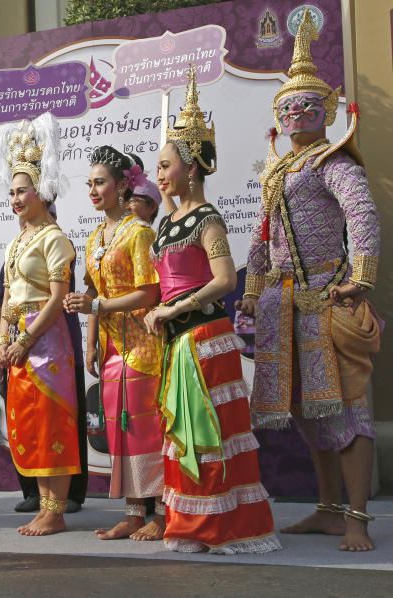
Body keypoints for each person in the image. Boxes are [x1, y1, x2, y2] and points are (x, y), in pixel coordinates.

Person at [238, 10, 381, 552]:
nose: (296, 112)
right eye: (287, 107)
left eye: (306, 105)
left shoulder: (336, 162)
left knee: (348, 408)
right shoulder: (277, 171)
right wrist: (252, 293)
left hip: (329, 296)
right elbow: (260, 237)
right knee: (308, 410)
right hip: (285, 303)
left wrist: (361, 277)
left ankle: (358, 518)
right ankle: (326, 508)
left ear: (329, 110)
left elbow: (363, 218)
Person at [144, 66, 280, 554]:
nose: (159, 174)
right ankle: (190, 523)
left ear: (193, 167)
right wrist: (158, 311)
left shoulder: (209, 219)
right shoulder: (166, 223)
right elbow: (165, 280)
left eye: (166, 165)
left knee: (212, 431)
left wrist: (173, 307)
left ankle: (223, 525)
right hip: (177, 340)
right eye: (157, 167)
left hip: (205, 339)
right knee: (184, 432)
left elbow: (223, 280)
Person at [64, 147, 165, 541]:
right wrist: (90, 344)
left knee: (145, 430)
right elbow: (92, 293)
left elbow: (149, 293)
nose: (93, 190)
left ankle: (161, 511)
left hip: (142, 345)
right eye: (89, 183)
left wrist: (99, 305)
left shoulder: (140, 232)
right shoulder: (93, 239)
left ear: (123, 185)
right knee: (118, 430)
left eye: (100, 182)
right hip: (110, 350)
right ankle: (134, 512)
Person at [0, 111, 80, 537]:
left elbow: (59, 299)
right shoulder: (16, 241)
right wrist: (1, 341)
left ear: (42, 190)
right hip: (20, 342)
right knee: (30, 421)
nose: (15, 199)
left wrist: (24, 338)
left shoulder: (54, 238)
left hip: (47, 340)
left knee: (52, 421)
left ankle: (56, 510)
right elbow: (9, 297)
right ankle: (46, 507)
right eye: (11, 192)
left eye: (22, 191)